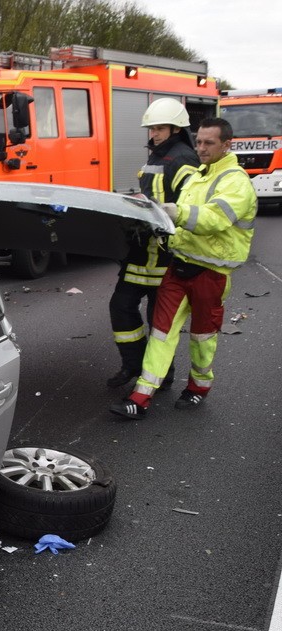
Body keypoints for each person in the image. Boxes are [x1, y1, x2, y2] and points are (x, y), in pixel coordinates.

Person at [110, 117, 257, 420]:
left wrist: (173, 212)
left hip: (211, 274)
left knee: (203, 338)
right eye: (199, 141)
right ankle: (140, 397)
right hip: (180, 267)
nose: (200, 148)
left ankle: (198, 388)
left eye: (208, 143)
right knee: (161, 333)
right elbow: (183, 224)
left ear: (227, 144)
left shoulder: (236, 181)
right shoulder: (198, 177)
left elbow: (213, 219)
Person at [106, 98, 199, 389]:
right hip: (140, 252)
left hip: (166, 257)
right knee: (121, 307)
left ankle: (160, 374)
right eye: (152, 128)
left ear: (175, 128)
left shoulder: (183, 159)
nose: (154, 134)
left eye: (159, 128)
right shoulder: (156, 156)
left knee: (159, 321)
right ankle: (133, 365)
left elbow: (186, 205)